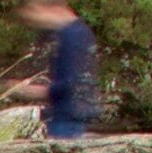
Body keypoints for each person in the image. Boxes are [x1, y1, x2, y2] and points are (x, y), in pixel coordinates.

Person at [17, 0, 97, 140]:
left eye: (33, 10)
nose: (30, 18)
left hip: (66, 121)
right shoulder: (77, 32)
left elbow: (70, 84)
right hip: (69, 118)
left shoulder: (72, 36)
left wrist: (27, 91)